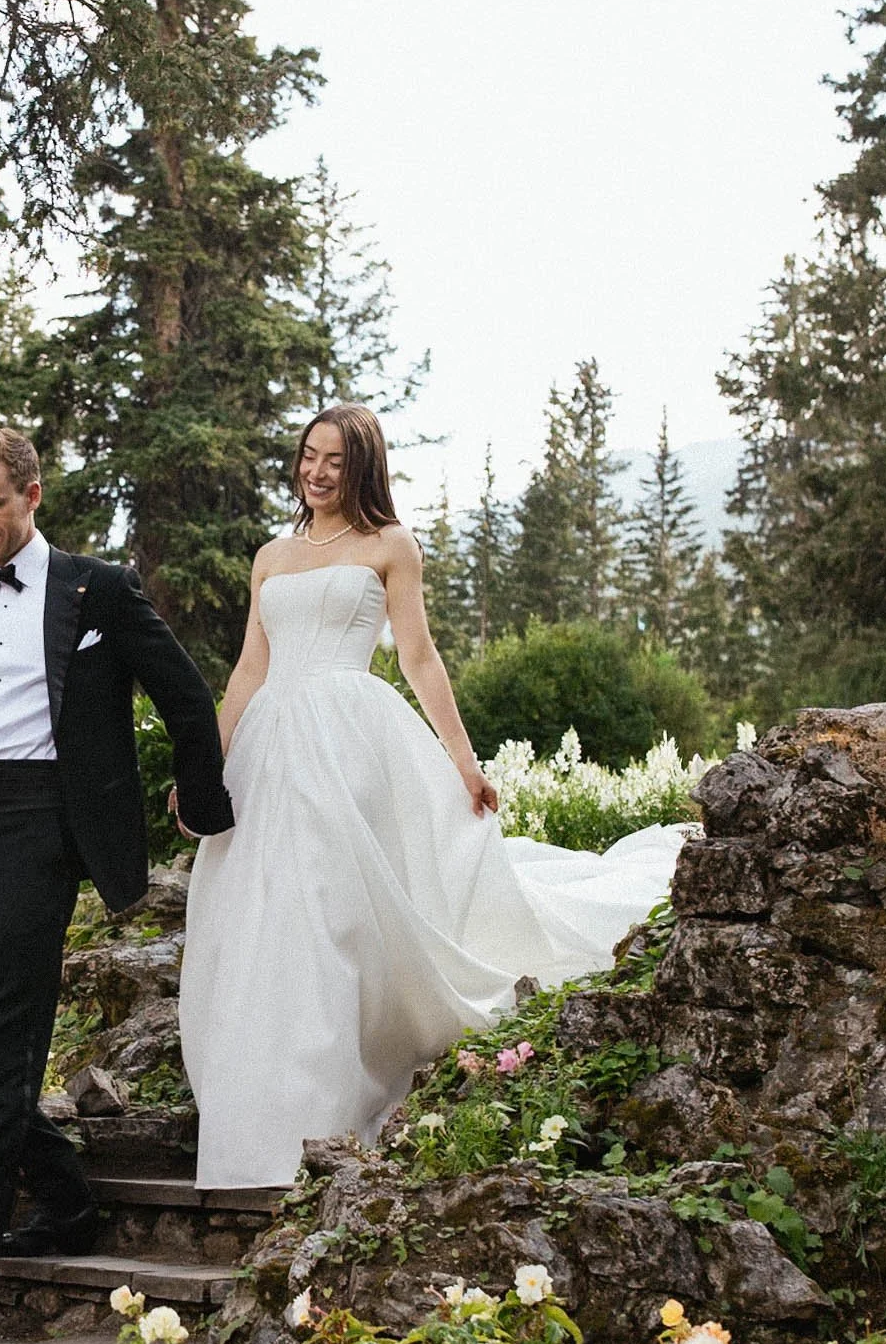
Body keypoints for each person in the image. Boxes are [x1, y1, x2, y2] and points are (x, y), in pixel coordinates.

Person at [178, 403, 689, 1191]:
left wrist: (464, 761)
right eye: (308, 457)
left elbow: (418, 657)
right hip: (270, 749)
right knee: (262, 918)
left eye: (335, 463)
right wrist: (205, 766)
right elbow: (249, 669)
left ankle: (325, 1112)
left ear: (363, 470)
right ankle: (255, 1123)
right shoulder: (271, 556)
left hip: (349, 742)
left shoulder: (390, 546)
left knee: (332, 910)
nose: (316, 473)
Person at [0, 426, 234, 1344]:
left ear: (32, 495)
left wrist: (203, 802)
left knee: (0, 1057)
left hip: (40, 833)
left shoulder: (98, 589)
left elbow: (186, 695)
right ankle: (65, 1188)